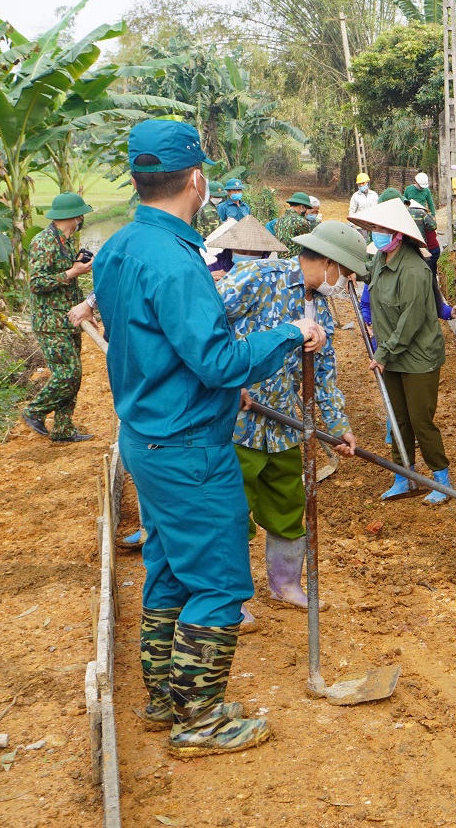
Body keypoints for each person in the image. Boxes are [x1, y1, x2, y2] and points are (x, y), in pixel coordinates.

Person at [93, 118, 327, 758]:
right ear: (196, 180)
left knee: (169, 567)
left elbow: (148, 340)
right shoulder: (175, 260)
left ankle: (164, 698)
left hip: (147, 434)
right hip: (190, 446)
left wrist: (221, 386)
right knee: (220, 582)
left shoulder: (117, 248)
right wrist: (290, 336)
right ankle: (199, 720)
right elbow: (219, 359)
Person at [220, 221, 364, 617]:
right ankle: (229, 600)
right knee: (232, 511)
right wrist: (226, 381)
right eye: (347, 273)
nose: (347, 282)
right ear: (329, 262)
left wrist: (338, 428)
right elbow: (204, 326)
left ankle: (284, 584)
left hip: (284, 426)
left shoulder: (321, 309)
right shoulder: (258, 278)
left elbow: (324, 377)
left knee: (288, 504)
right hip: (236, 424)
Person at [350, 198, 451, 503]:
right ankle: (403, 476)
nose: (375, 234)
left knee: (420, 419)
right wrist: (349, 270)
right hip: (391, 354)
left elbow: (410, 322)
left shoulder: (415, 271)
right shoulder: (381, 259)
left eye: (381, 229)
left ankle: (442, 479)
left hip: (418, 357)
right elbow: (367, 272)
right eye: (374, 228)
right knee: (397, 418)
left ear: (397, 235)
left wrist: (382, 353)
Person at [23, 192, 97, 444]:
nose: (82, 219)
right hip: (50, 322)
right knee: (68, 374)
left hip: (68, 318)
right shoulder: (43, 242)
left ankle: (63, 429)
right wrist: (72, 272)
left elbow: (70, 285)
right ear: (73, 216)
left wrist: (86, 308)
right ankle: (34, 410)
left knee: (73, 376)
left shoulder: (66, 242)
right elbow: (36, 283)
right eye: (81, 215)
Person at [380, 187, 441, 271]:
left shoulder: (385, 220)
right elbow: (433, 226)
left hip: (399, 255)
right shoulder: (420, 213)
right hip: (422, 252)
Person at [207, 215, 286, 278]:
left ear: (262, 253)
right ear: (231, 250)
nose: (248, 255)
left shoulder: (269, 272)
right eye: (242, 251)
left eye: (254, 253)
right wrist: (209, 283)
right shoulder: (215, 266)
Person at [274, 192, 317, 257]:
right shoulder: (300, 221)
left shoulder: (279, 219)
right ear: (302, 207)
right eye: (306, 208)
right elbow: (308, 242)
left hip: (281, 261)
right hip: (295, 262)